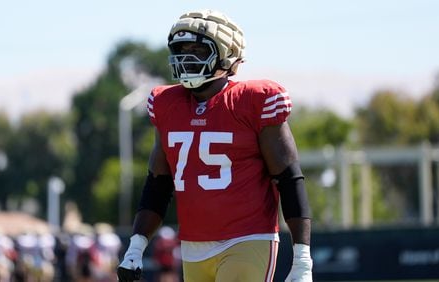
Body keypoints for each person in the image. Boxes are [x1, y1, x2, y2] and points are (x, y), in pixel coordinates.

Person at [118, 9, 313, 282]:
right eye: (181, 49)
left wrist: (302, 257)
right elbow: (158, 184)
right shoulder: (166, 104)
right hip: (193, 245)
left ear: (225, 53)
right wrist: (136, 246)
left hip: (246, 238)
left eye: (197, 49)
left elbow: (289, 178)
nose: (186, 57)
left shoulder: (254, 101)